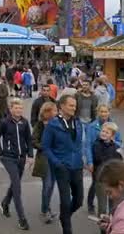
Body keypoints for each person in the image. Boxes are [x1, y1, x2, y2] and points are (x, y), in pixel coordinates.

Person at [42, 94, 84, 234]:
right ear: (62, 106)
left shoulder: (77, 122)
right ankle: (67, 229)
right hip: (62, 168)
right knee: (65, 202)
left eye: (75, 105)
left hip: (77, 167)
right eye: (71, 105)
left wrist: (82, 159)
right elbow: (46, 147)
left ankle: (64, 216)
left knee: (78, 200)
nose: (74, 108)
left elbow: (78, 144)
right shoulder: (52, 125)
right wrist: (57, 163)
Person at [0, 98, 33, 230]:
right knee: (17, 186)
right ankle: (22, 219)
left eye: (20, 108)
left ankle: (5, 203)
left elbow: (28, 139)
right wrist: (0, 152)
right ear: (11, 109)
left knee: (15, 184)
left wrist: (30, 155)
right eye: (16, 108)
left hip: (21, 158)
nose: (18, 110)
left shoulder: (25, 123)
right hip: (8, 158)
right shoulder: (5, 123)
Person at [85, 104, 123, 214]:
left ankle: (111, 216)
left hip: (111, 166)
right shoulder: (92, 127)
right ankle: (90, 203)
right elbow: (88, 145)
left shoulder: (114, 126)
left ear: (109, 112)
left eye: (105, 111)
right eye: (101, 111)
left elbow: (119, 142)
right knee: (95, 184)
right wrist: (90, 162)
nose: (103, 114)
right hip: (98, 164)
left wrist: (112, 142)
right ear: (98, 112)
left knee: (109, 191)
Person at [32, 101, 58, 224]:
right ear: (47, 112)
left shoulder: (57, 124)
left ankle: (46, 208)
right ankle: (45, 210)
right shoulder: (40, 125)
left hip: (56, 158)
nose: (56, 112)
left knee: (52, 185)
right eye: (54, 110)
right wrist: (45, 146)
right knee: (47, 185)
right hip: (45, 158)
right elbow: (34, 141)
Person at [91, 122, 123, 222]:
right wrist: (114, 155)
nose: (103, 133)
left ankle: (112, 225)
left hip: (112, 179)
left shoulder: (114, 146)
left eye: (107, 132)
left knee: (113, 204)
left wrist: (118, 155)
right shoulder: (96, 144)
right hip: (101, 179)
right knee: (102, 206)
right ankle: (103, 228)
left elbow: (119, 162)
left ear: (112, 136)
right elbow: (100, 159)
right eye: (103, 131)